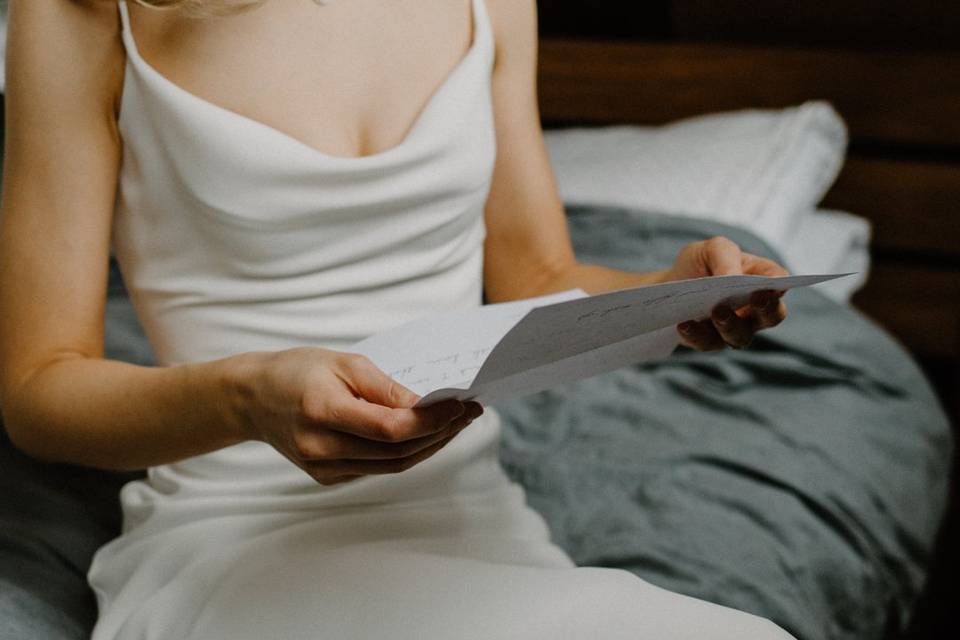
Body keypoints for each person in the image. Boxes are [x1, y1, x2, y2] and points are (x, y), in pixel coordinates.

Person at [0, 0, 796, 638]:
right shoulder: (85, 13)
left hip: (475, 528)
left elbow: (540, 276)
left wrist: (665, 294)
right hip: (235, 543)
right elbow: (39, 390)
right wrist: (245, 397)